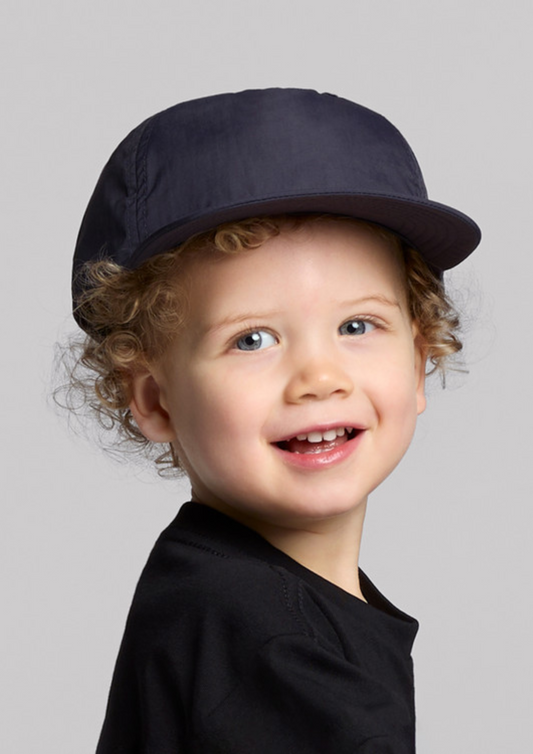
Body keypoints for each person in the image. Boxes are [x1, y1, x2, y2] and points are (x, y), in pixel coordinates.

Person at [69, 88, 481, 753]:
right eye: (252, 339)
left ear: (418, 360)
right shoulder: (274, 652)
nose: (319, 377)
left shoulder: (214, 587)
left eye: (357, 325)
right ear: (153, 399)